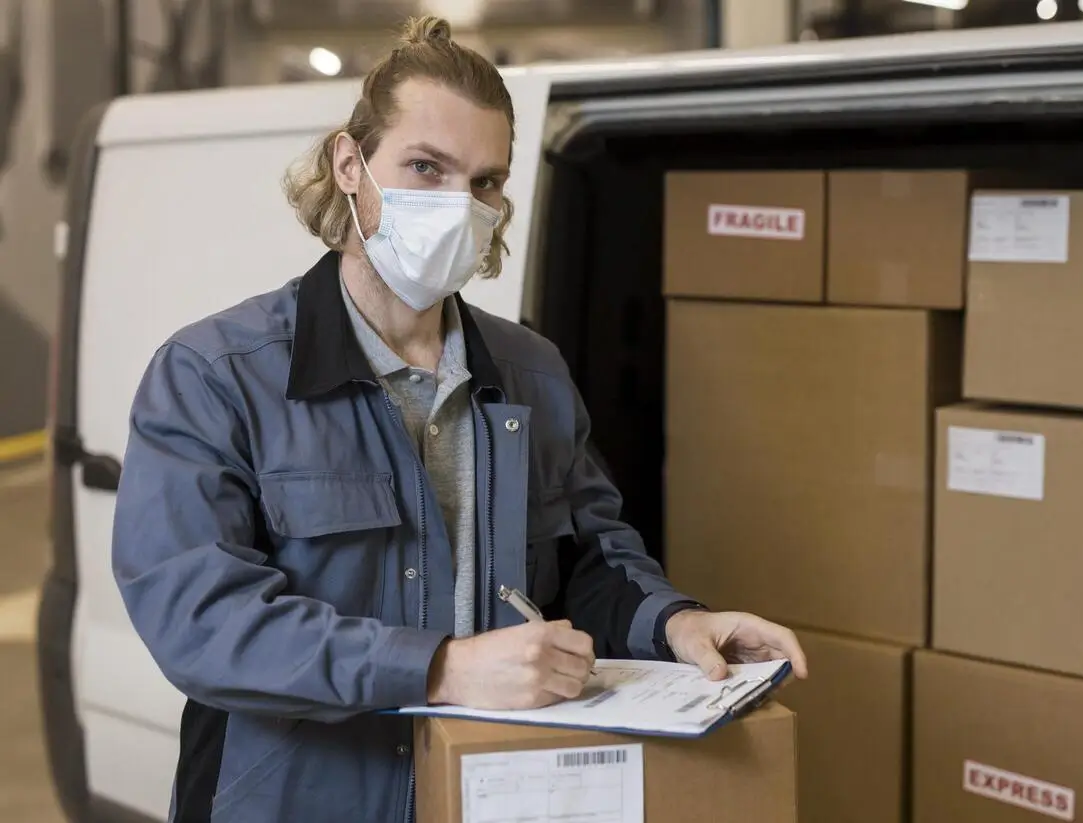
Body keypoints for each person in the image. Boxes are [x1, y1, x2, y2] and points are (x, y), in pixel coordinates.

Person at [111, 15, 808, 823]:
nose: (458, 204)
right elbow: (201, 620)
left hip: (491, 793)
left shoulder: (530, 373)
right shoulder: (215, 375)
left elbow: (589, 558)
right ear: (350, 164)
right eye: (425, 167)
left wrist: (678, 622)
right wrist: (439, 667)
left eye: (483, 182)